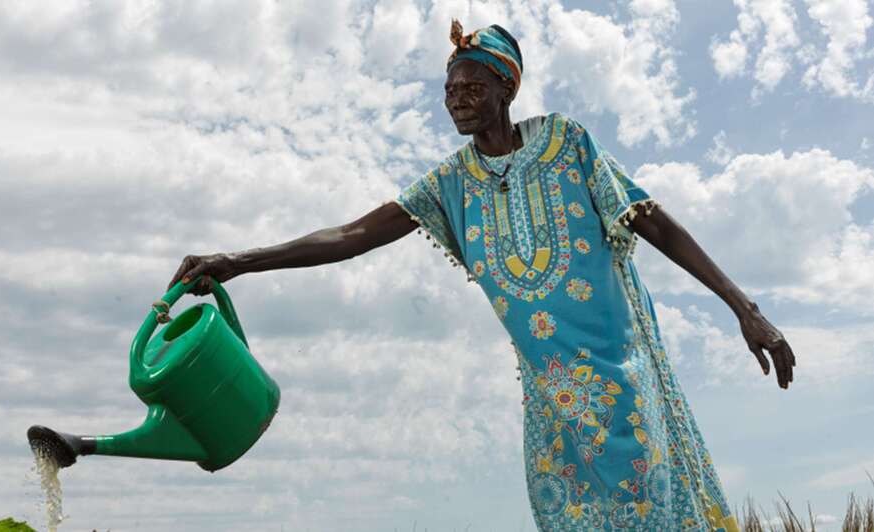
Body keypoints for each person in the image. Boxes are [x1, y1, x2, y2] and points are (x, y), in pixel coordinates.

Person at [168, 19, 795, 532]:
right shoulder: (449, 186)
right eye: (448, 92)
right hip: (554, 400)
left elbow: (652, 220)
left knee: (649, 506)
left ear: (505, 88)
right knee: (566, 517)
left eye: (470, 87)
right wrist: (238, 261)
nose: (456, 101)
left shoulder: (567, 142)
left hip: (622, 378)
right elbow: (354, 236)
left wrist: (745, 308)